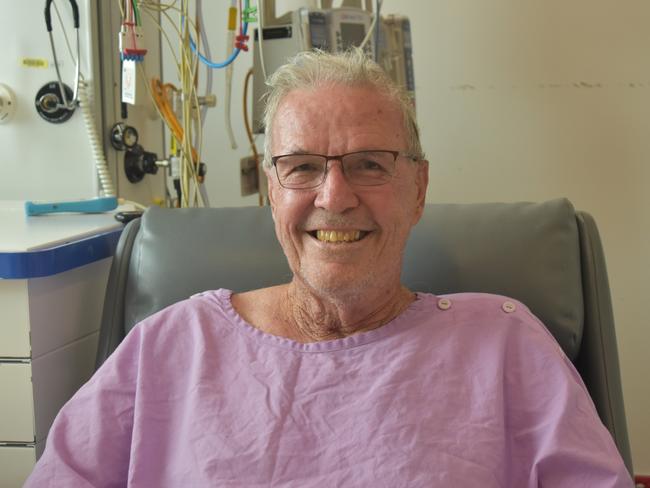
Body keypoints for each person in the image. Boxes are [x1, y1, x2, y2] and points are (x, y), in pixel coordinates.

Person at [26, 49, 632, 487]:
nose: (335, 196)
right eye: (302, 166)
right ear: (272, 191)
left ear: (418, 189)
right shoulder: (171, 346)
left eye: (370, 164)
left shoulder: (505, 344)